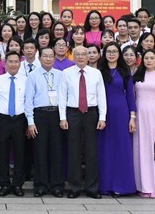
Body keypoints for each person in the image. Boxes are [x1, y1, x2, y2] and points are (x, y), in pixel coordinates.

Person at [59, 46, 107, 199]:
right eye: (77, 54)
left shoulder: (96, 73)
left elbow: (101, 97)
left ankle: (92, 187)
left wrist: (102, 117)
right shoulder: (66, 73)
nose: (80, 57)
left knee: (91, 151)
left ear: (89, 56)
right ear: (73, 56)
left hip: (91, 113)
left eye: (83, 54)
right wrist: (62, 118)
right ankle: (75, 187)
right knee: (73, 150)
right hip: (72, 113)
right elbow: (62, 96)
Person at [97, 43, 136, 197]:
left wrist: (132, 117)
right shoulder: (99, 72)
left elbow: (130, 96)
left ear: (119, 54)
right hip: (103, 114)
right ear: (104, 54)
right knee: (105, 149)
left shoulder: (124, 72)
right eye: (109, 51)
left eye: (114, 51)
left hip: (121, 113)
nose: (111, 54)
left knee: (122, 149)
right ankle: (106, 185)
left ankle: (122, 185)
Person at [25, 47, 65, 197]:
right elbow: (28, 100)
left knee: (57, 150)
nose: (48, 59)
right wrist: (30, 121)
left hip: (56, 114)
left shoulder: (61, 75)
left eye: (51, 56)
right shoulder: (33, 75)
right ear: (39, 57)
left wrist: (63, 118)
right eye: (45, 56)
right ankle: (40, 185)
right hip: (40, 115)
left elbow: (63, 97)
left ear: (54, 58)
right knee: (40, 150)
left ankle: (57, 185)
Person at [132, 49, 155, 198]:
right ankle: (142, 185)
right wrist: (132, 117)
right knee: (140, 150)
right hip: (139, 115)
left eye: (151, 58)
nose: (148, 60)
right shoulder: (137, 76)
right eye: (146, 58)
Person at [0, 51, 27, 197]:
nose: (13, 64)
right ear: (5, 64)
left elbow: (29, 102)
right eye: (10, 61)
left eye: (16, 61)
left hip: (20, 119)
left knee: (20, 153)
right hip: (3, 119)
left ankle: (18, 184)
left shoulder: (26, 80)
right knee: (3, 153)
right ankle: (4, 184)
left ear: (20, 63)